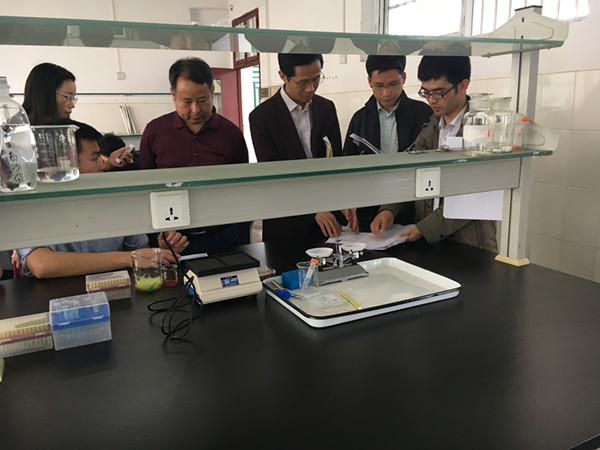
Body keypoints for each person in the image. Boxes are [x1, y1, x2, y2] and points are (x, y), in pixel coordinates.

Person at [17, 121, 188, 278]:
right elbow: (41, 264)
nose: (102, 165)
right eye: (94, 159)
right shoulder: (38, 207)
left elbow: (141, 251)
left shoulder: (116, 203)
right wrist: (128, 258)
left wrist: (160, 252)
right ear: (65, 163)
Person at [372, 56, 497, 252]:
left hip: (470, 245)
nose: (431, 100)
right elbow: (410, 170)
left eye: (438, 93)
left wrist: (424, 229)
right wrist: (389, 209)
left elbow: (474, 196)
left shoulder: (483, 129)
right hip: (431, 242)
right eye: (426, 92)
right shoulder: (431, 126)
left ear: (463, 85)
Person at [139, 57, 250, 254]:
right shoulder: (155, 132)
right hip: (174, 237)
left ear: (212, 92)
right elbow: (146, 188)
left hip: (224, 233)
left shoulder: (231, 134)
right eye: (187, 101)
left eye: (202, 100)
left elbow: (241, 188)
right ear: (173, 95)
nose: (195, 110)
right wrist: (160, 233)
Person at [249, 53, 353, 241]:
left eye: (316, 79)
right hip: (287, 222)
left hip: (327, 221)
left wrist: (346, 200)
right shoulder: (262, 117)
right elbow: (275, 176)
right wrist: (313, 209)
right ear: (283, 76)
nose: (311, 88)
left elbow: (336, 161)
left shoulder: (326, 108)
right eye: (303, 82)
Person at [343, 55, 432, 232]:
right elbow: (346, 166)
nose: (386, 93)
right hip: (369, 209)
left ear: (403, 78)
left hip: (412, 208)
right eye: (379, 86)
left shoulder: (423, 113)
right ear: (369, 81)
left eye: (392, 84)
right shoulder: (360, 118)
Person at [22, 62, 132, 170]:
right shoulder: (19, 136)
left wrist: (108, 164)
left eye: (73, 98)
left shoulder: (66, 132)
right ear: (46, 95)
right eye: (67, 97)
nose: (72, 105)